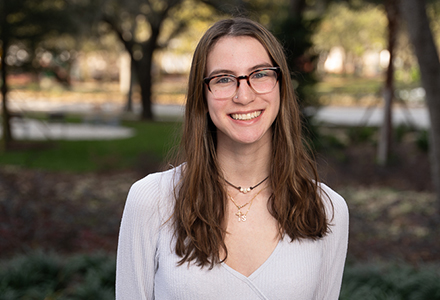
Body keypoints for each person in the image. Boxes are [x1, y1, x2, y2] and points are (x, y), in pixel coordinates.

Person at [116, 17, 349, 300]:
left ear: (281, 86)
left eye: (260, 74)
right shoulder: (151, 201)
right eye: (224, 79)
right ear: (201, 95)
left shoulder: (326, 209)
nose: (244, 95)